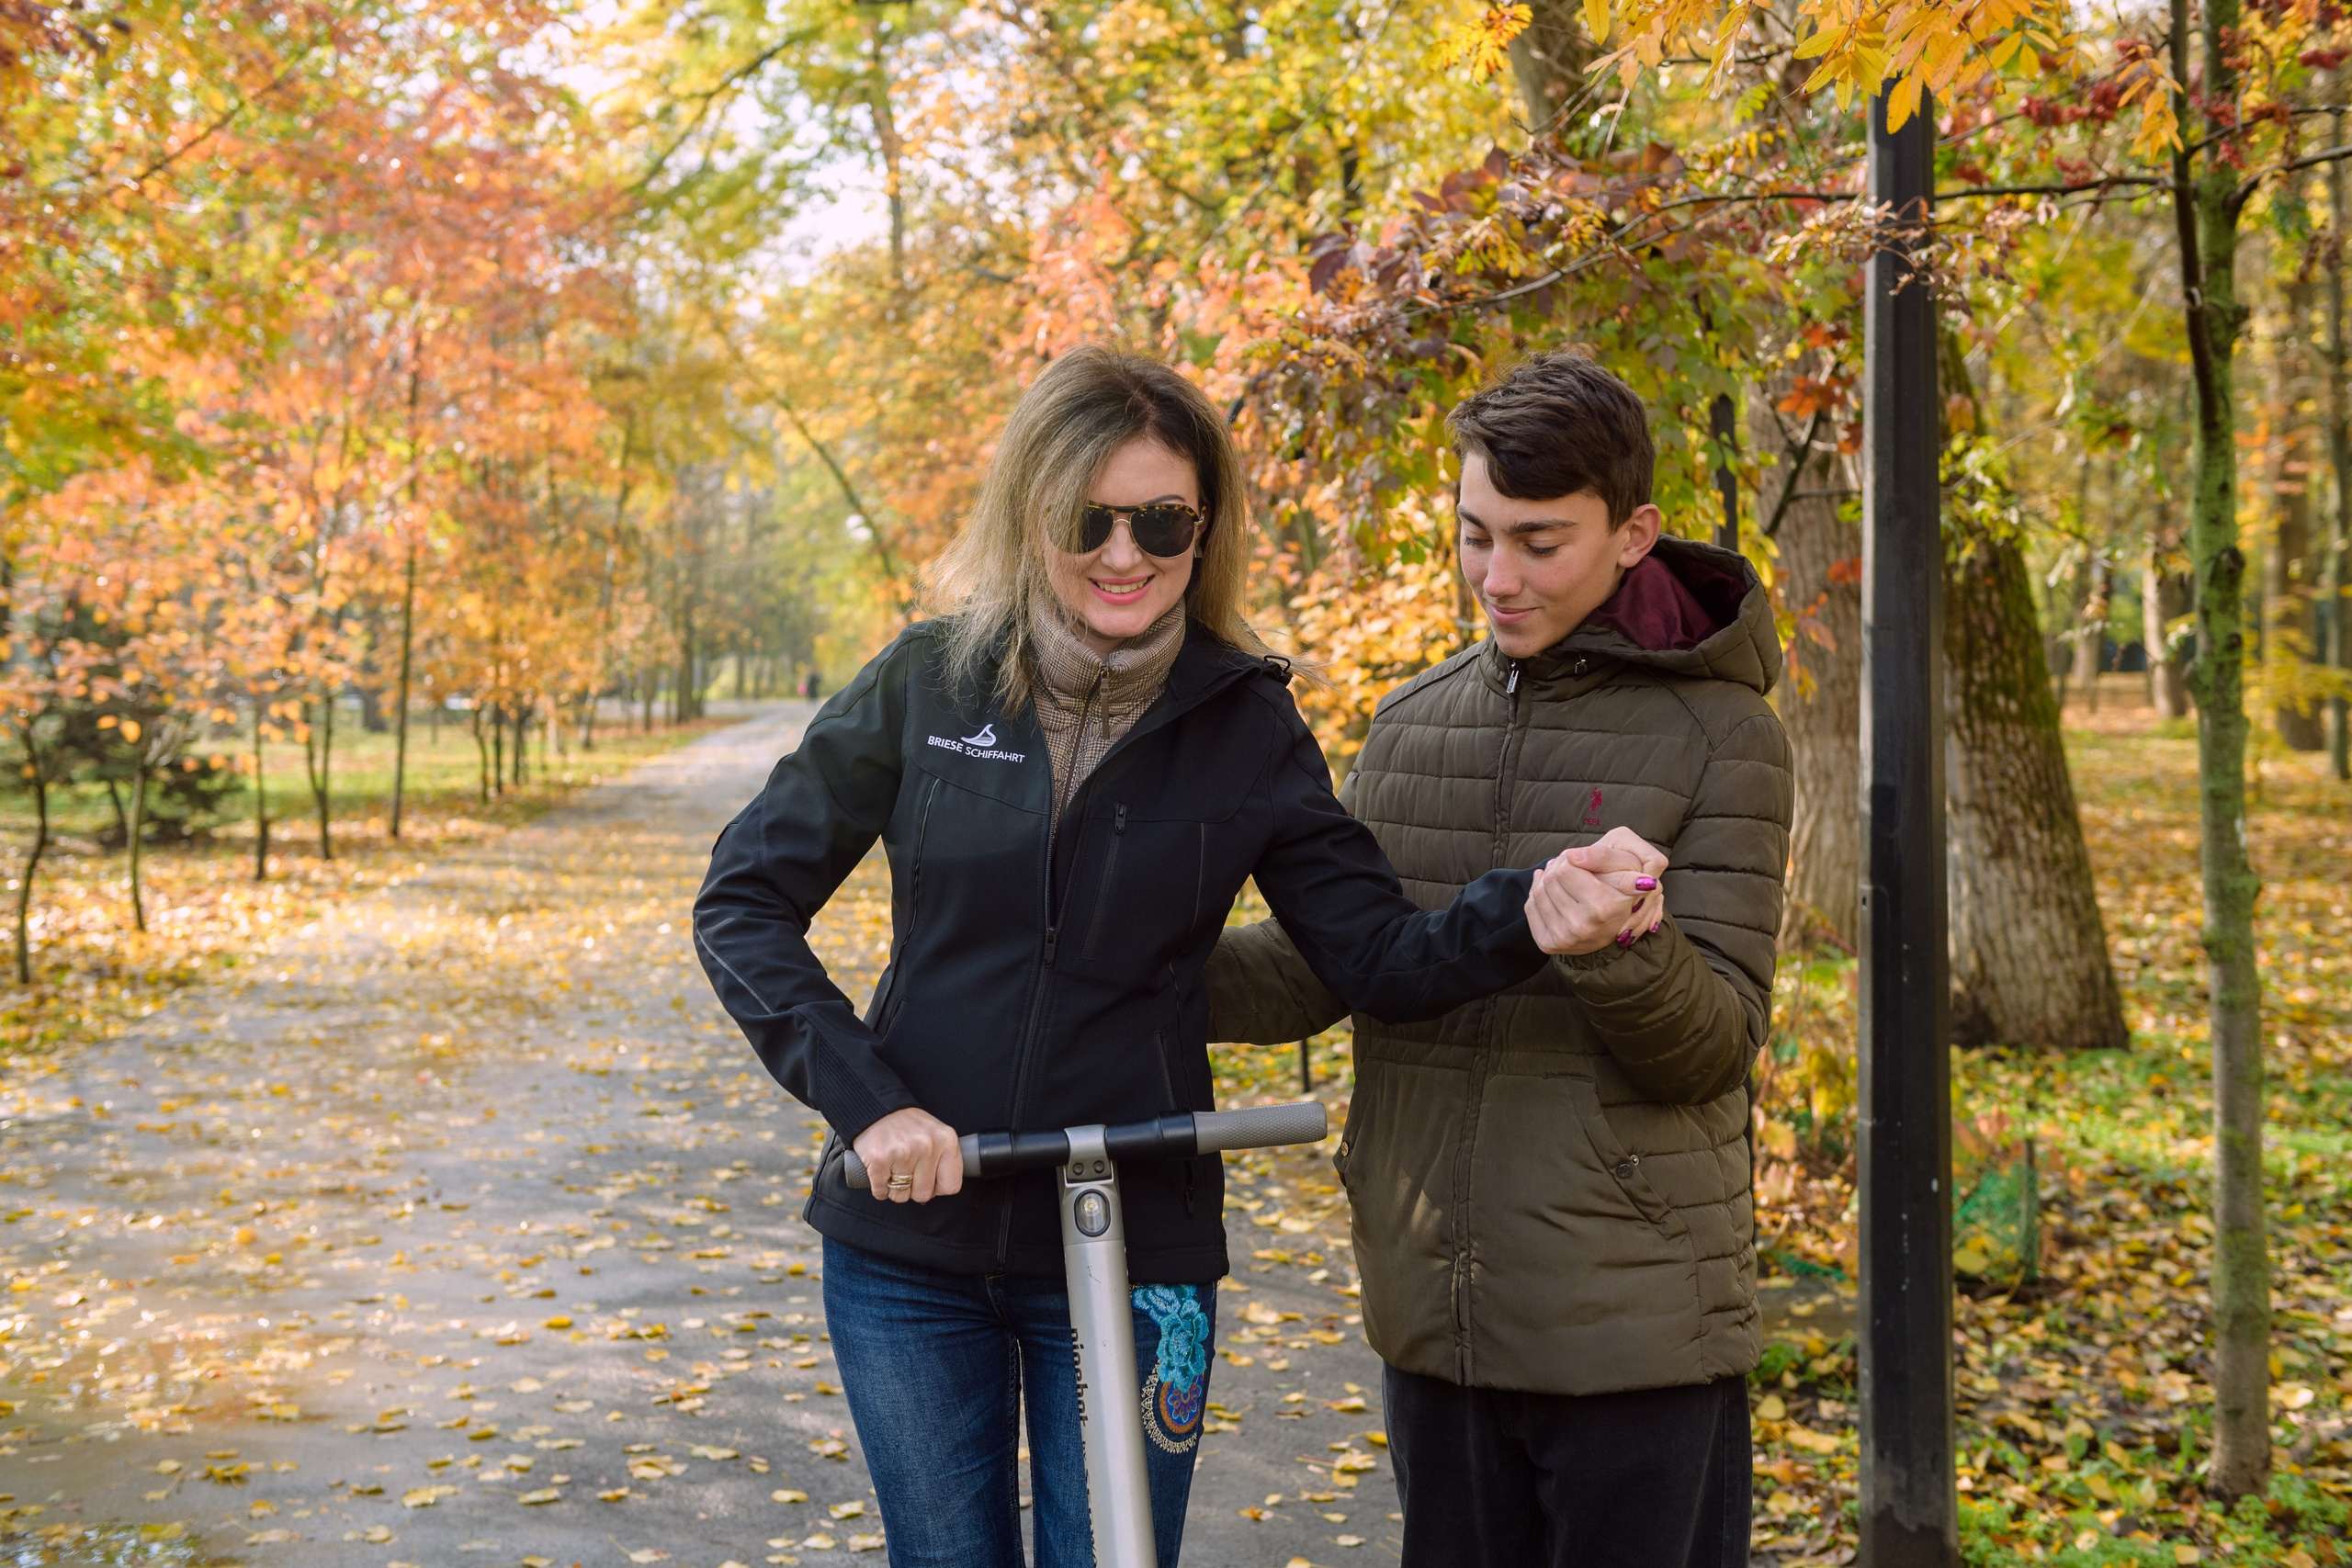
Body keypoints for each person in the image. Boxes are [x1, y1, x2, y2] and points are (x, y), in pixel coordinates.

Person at [692, 347, 1636, 1568]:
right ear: (1031, 514)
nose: (1123, 554)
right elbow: (743, 902)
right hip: (912, 1249)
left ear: (1205, 530)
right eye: (1086, 519)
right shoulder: (930, 682)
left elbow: (1377, 960)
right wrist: (868, 1105)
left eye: (1162, 521)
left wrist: (1533, 909)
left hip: (1133, 1246)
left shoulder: (1247, 724)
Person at [1206, 352, 1792, 1568]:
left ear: (1633, 535)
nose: (1497, 577)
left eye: (1539, 543)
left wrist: (1620, 948)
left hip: (1636, 1337)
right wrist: (1130, 962)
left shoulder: (1724, 734)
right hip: (1436, 1317)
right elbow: (1333, 965)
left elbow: (1713, 1047)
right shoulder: (1412, 723)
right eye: (1475, 535)